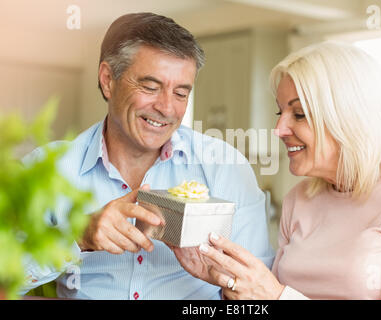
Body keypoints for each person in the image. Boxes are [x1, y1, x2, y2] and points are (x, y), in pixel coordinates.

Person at [19, 12, 274, 299]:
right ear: (107, 80)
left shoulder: (226, 167)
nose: (166, 108)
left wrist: (228, 284)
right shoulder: (47, 168)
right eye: (151, 88)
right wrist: (79, 237)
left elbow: (257, 297)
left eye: (180, 93)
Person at [174, 41, 381, 300]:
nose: (279, 129)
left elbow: (277, 293)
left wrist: (276, 295)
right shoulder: (300, 198)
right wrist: (227, 282)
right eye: (279, 112)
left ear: (347, 115)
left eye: (299, 114)